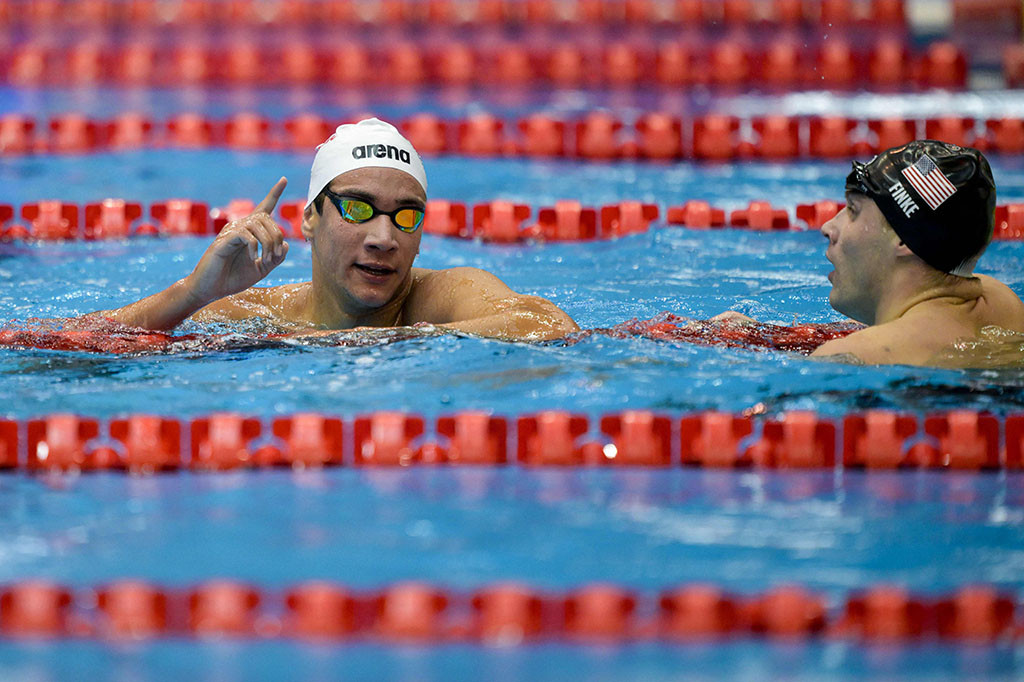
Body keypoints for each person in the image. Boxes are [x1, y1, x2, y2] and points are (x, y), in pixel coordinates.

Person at [93, 118, 578, 342]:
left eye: (406, 215)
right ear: (310, 218)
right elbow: (65, 346)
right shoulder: (253, 314)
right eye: (359, 209)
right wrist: (193, 294)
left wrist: (357, 342)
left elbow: (548, 325)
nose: (384, 238)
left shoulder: (441, 298)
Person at [720, 140, 1024, 367]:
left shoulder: (853, 358)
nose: (828, 226)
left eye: (853, 211)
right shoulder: (1002, 302)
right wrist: (772, 337)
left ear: (904, 239)